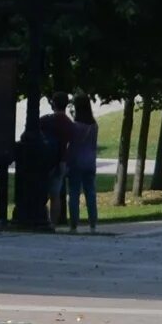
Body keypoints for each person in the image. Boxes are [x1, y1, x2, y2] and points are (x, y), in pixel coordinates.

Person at [63, 96, 101, 232]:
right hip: (90, 162)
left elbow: (72, 146)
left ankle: (74, 224)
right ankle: (93, 223)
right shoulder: (94, 126)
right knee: (90, 193)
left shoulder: (75, 126)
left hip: (76, 162)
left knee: (74, 193)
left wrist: (67, 162)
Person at [38, 97, 75, 226]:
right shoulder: (68, 124)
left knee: (41, 192)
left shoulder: (45, 120)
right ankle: (53, 223)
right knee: (56, 196)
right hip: (61, 161)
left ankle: (41, 218)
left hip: (45, 161)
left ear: (53, 104)